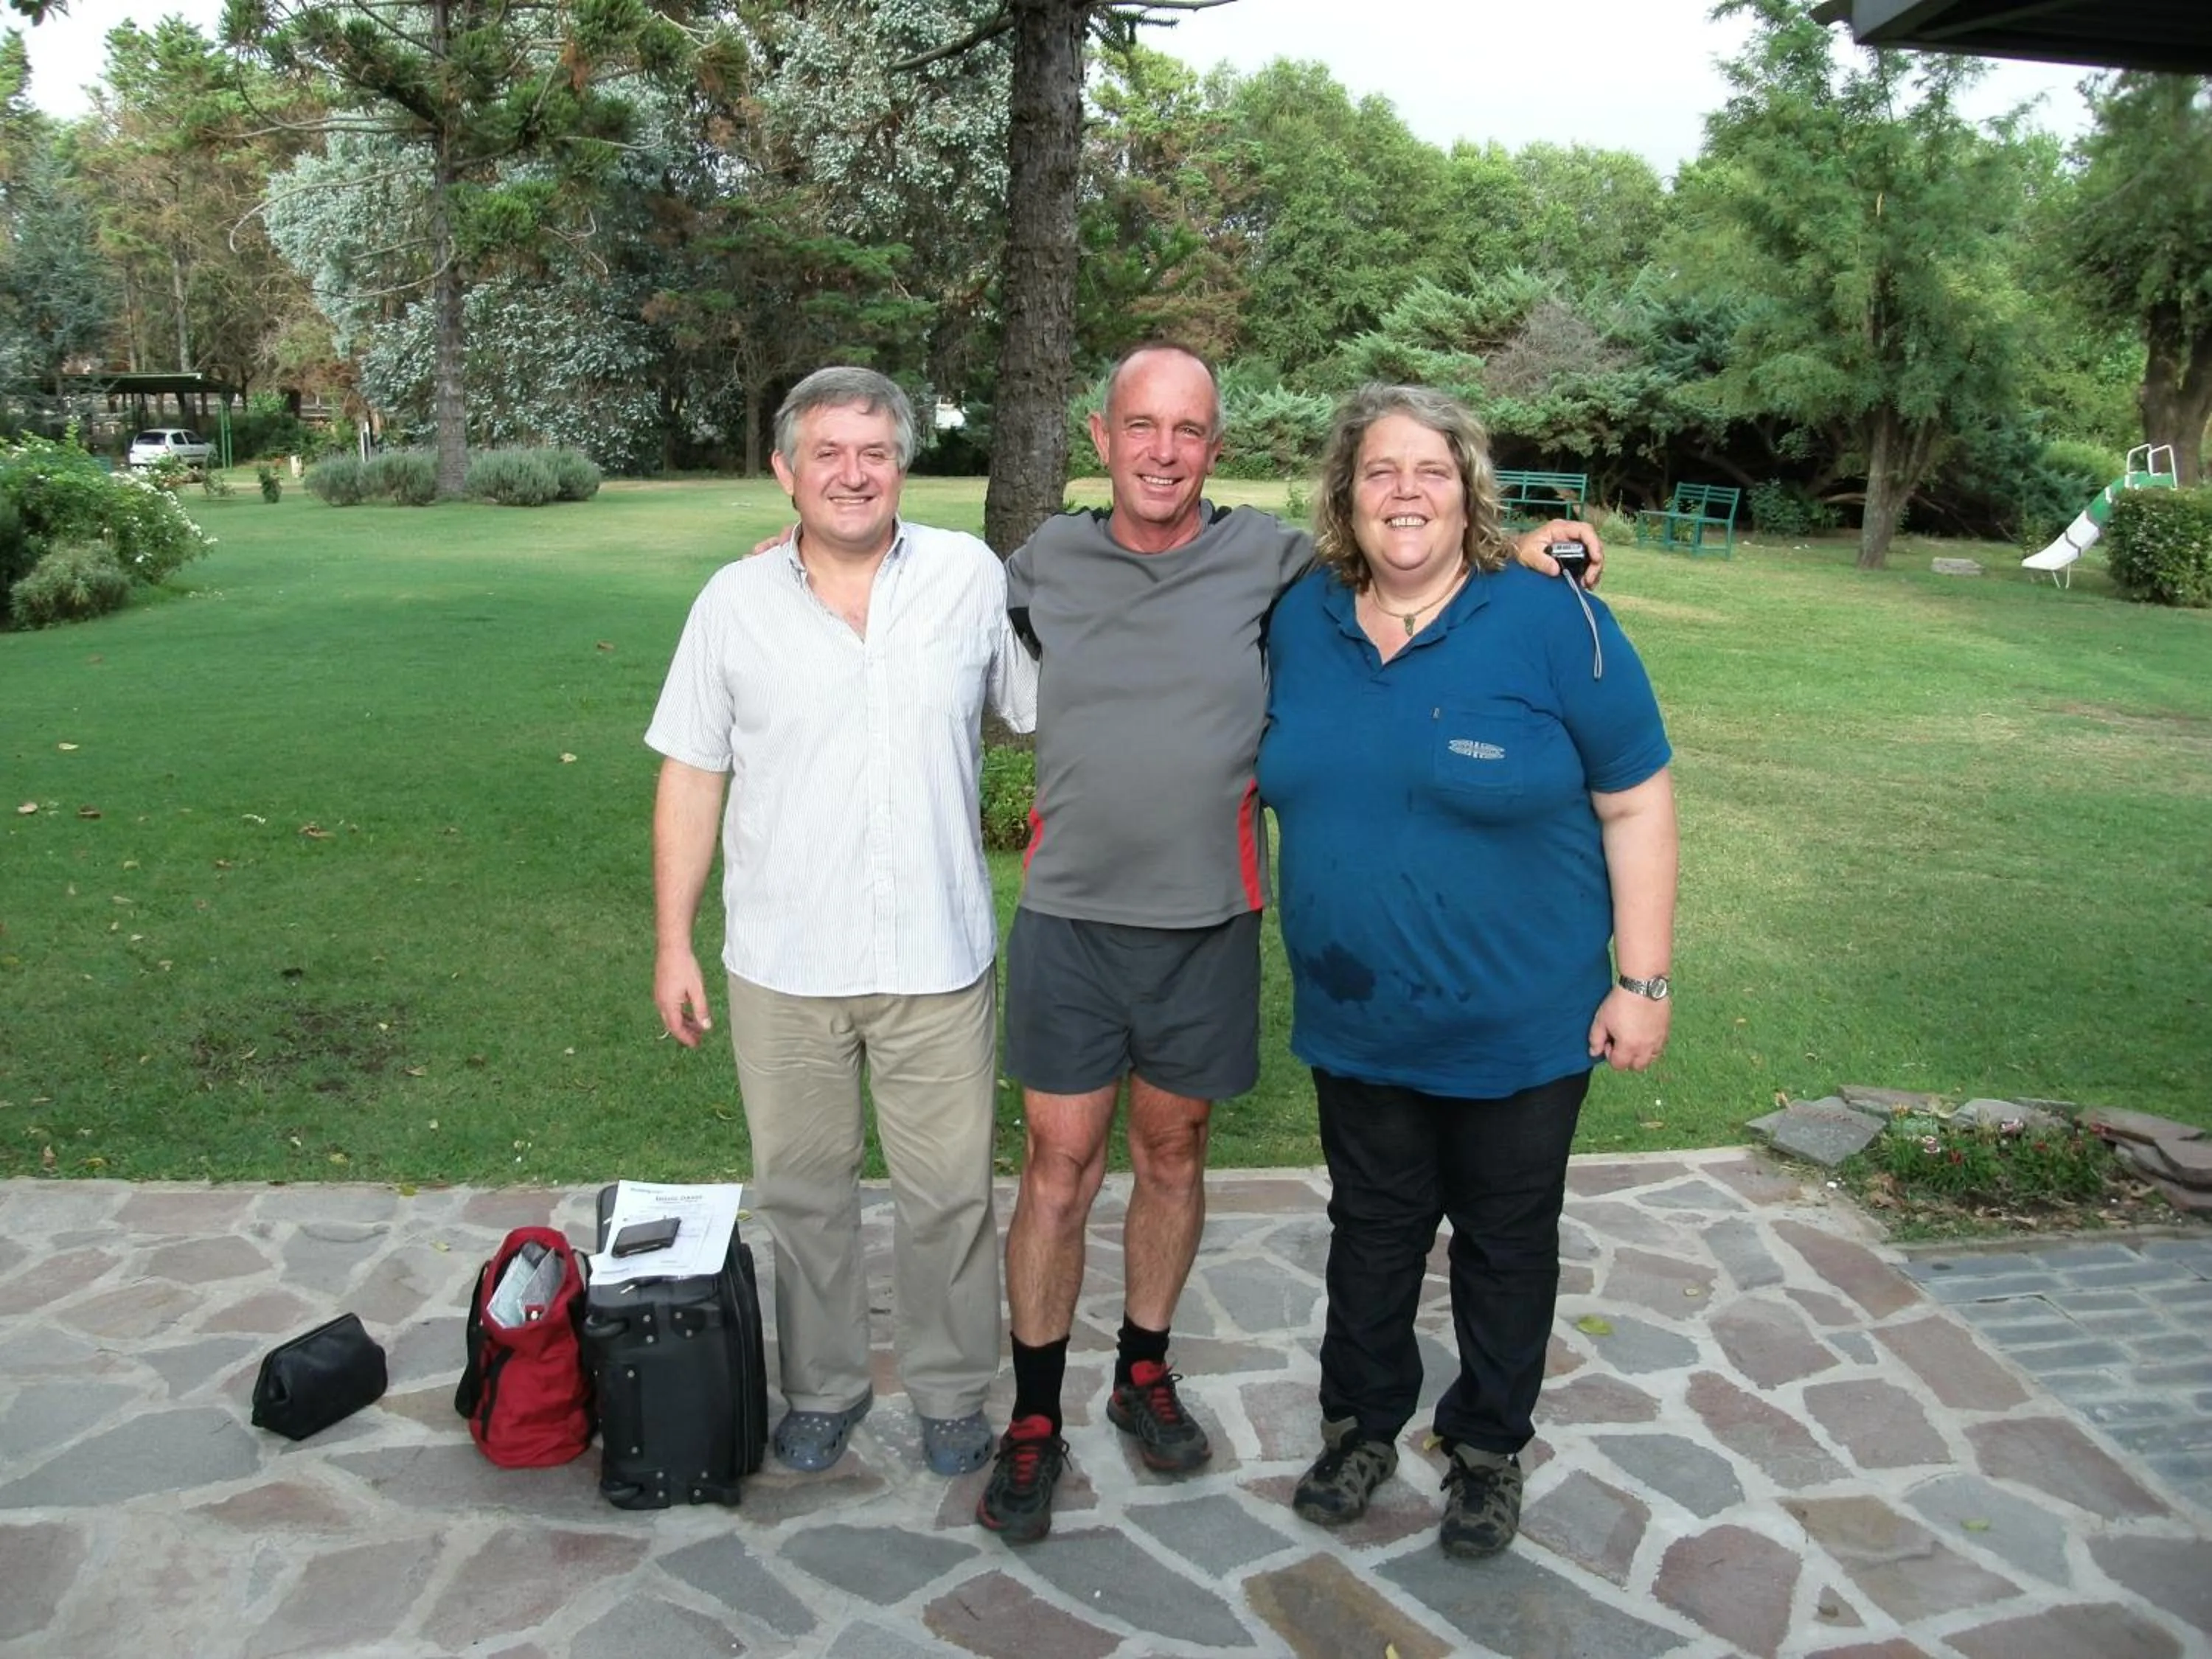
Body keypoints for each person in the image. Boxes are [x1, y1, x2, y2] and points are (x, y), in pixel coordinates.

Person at [975, 344, 1604, 1543]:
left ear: (1218, 447)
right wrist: (791, 550)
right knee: (1057, 1166)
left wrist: (1533, 552)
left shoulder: (1272, 565)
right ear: (1100, 436)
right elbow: (908, 591)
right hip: (1069, 918)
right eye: (1141, 426)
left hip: (1210, 920)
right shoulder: (1039, 563)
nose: (1164, 450)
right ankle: (1037, 1417)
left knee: (1173, 1151)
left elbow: (1409, 554)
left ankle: (1143, 1369)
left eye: (1190, 430)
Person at [1255, 383, 1677, 1561]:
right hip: (1361, 1018)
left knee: (1506, 1240)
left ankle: (1486, 1450)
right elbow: (1167, 541)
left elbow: (1636, 798)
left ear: (1469, 490)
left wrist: (1641, 982)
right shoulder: (1299, 620)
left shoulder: (1554, 624)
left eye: (1431, 470)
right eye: (1380, 469)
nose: (1405, 492)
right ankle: (1359, 1425)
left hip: (1523, 1023)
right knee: (1372, 1233)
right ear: (1345, 492)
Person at [647, 366, 1037, 1479]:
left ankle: (954, 1391)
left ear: (902, 463)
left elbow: (1042, 698)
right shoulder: (733, 603)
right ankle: (821, 1388)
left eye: (875, 451)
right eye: (829, 453)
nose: (854, 473)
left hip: (938, 957)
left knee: (949, 1195)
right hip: (784, 959)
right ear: (786, 469)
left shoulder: (969, 577)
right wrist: (674, 940)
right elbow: (691, 773)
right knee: (805, 1196)